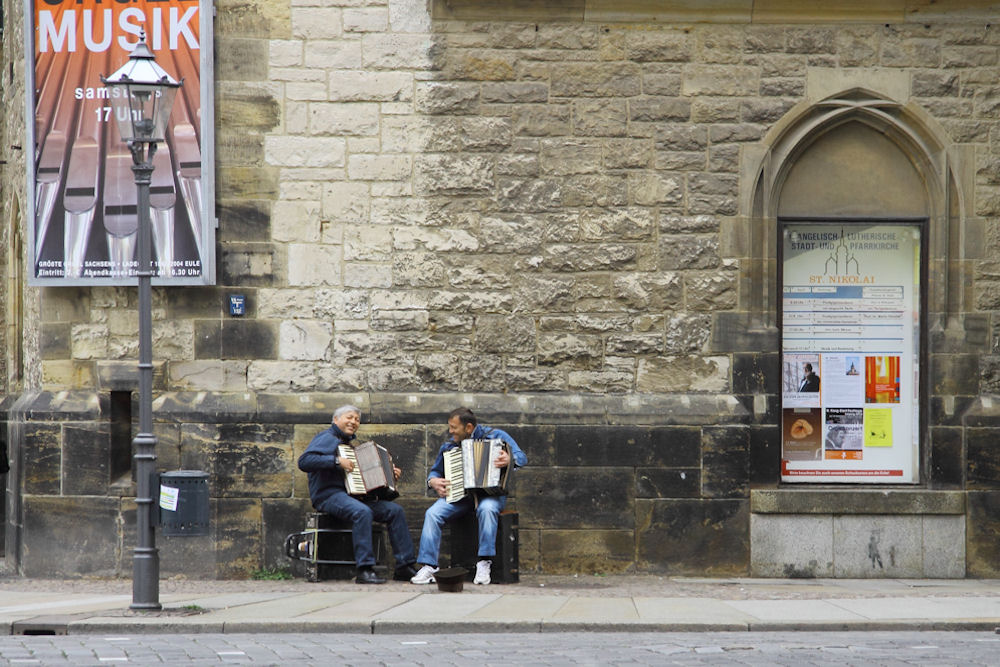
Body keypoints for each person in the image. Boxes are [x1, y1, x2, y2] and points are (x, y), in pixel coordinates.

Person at [297, 405, 418, 584]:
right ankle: (364, 569)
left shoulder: (352, 448)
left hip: (353, 498)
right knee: (362, 512)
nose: (353, 422)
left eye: (357, 420)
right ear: (335, 419)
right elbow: (305, 461)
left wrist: (389, 477)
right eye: (349, 417)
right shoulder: (327, 437)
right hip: (329, 496)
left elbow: (365, 486)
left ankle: (404, 566)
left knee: (394, 511)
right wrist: (337, 461)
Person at [411, 407, 527, 586]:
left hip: (490, 494)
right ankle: (429, 566)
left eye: (453, 427)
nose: (450, 431)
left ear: (469, 427)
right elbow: (435, 471)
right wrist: (433, 481)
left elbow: (522, 457)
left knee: (486, 509)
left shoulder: (496, 436)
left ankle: (484, 562)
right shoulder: (449, 446)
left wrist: (509, 459)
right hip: (461, 496)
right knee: (433, 513)